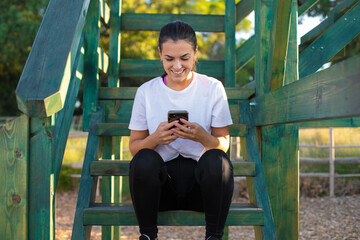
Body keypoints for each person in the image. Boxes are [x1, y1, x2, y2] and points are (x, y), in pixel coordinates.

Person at [128, 20, 234, 240]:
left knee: (218, 160)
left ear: (195, 53)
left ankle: (214, 236)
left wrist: (205, 138)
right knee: (144, 158)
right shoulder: (146, 92)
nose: (177, 66)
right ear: (160, 54)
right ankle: (147, 236)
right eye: (169, 59)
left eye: (184, 58)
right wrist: (155, 139)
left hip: (201, 187)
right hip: (160, 189)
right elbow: (134, 147)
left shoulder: (212, 87)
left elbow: (224, 142)